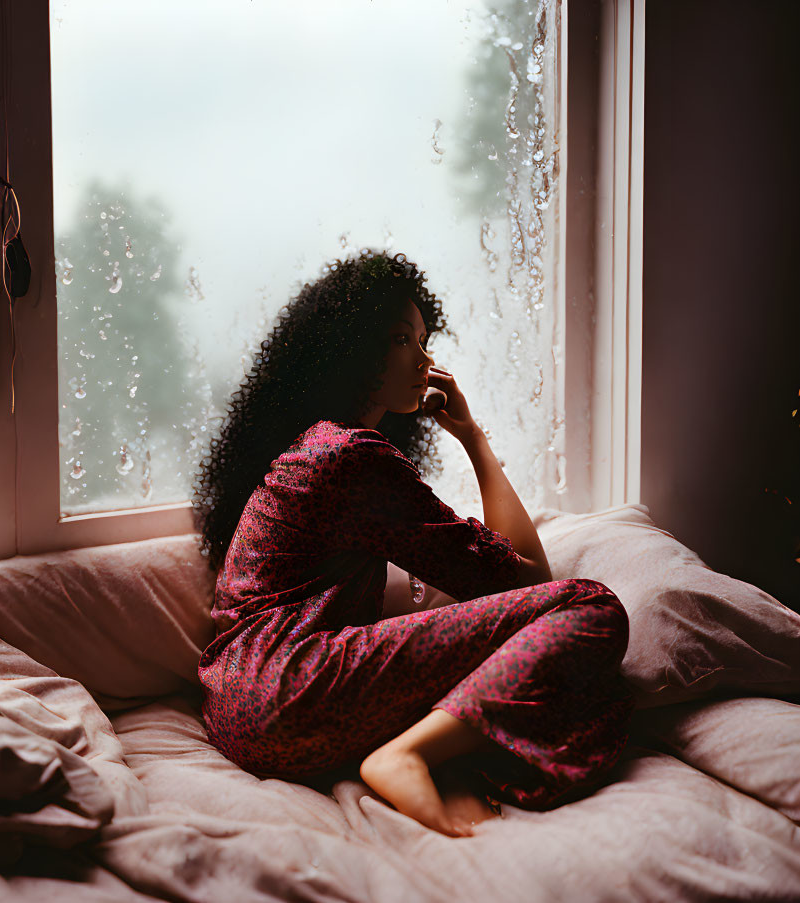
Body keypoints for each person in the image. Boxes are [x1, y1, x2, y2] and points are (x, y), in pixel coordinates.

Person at [190, 248, 635, 838]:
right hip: (287, 690)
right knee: (590, 606)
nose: (424, 359)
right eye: (403, 339)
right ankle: (408, 756)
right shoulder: (352, 458)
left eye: (425, 339)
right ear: (353, 350)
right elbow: (532, 582)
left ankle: (421, 752)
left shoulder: (315, 446)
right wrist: (474, 440)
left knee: (506, 653)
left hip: (234, 707)